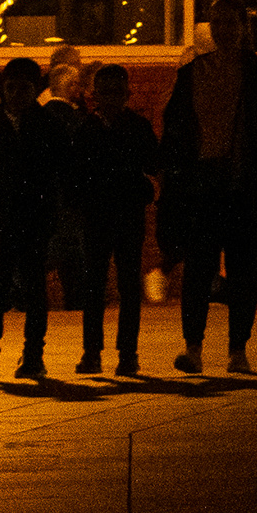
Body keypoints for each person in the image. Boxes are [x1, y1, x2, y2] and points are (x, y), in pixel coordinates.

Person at [158, 0, 257, 376]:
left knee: (242, 269)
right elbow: (177, 130)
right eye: (217, 22)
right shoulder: (194, 72)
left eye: (230, 22)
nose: (223, 29)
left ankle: (237, 348)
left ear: (242, 25)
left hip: (242, 181)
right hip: (204, 181)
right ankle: (194, 346)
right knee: (199, 268)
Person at [0, 57, 70, 382]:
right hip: (2, 216)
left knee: (33, 286)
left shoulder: (46, 123)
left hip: (33, 216)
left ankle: (34, 356)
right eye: (10, 87)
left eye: (23, 88)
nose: (15, 94)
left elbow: (56, 171)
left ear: (35, 88)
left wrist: (51, 212)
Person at [61, 63, 158, 376]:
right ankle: (96, 352)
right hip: (102, 214)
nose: (112, 97)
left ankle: (123, 353)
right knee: (98, 285)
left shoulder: (92, 129)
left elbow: (153, 164)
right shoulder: (91, 129)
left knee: (124, 284)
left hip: (118, 213)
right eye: (107, 91)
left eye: (117, 91)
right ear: (95, 95)